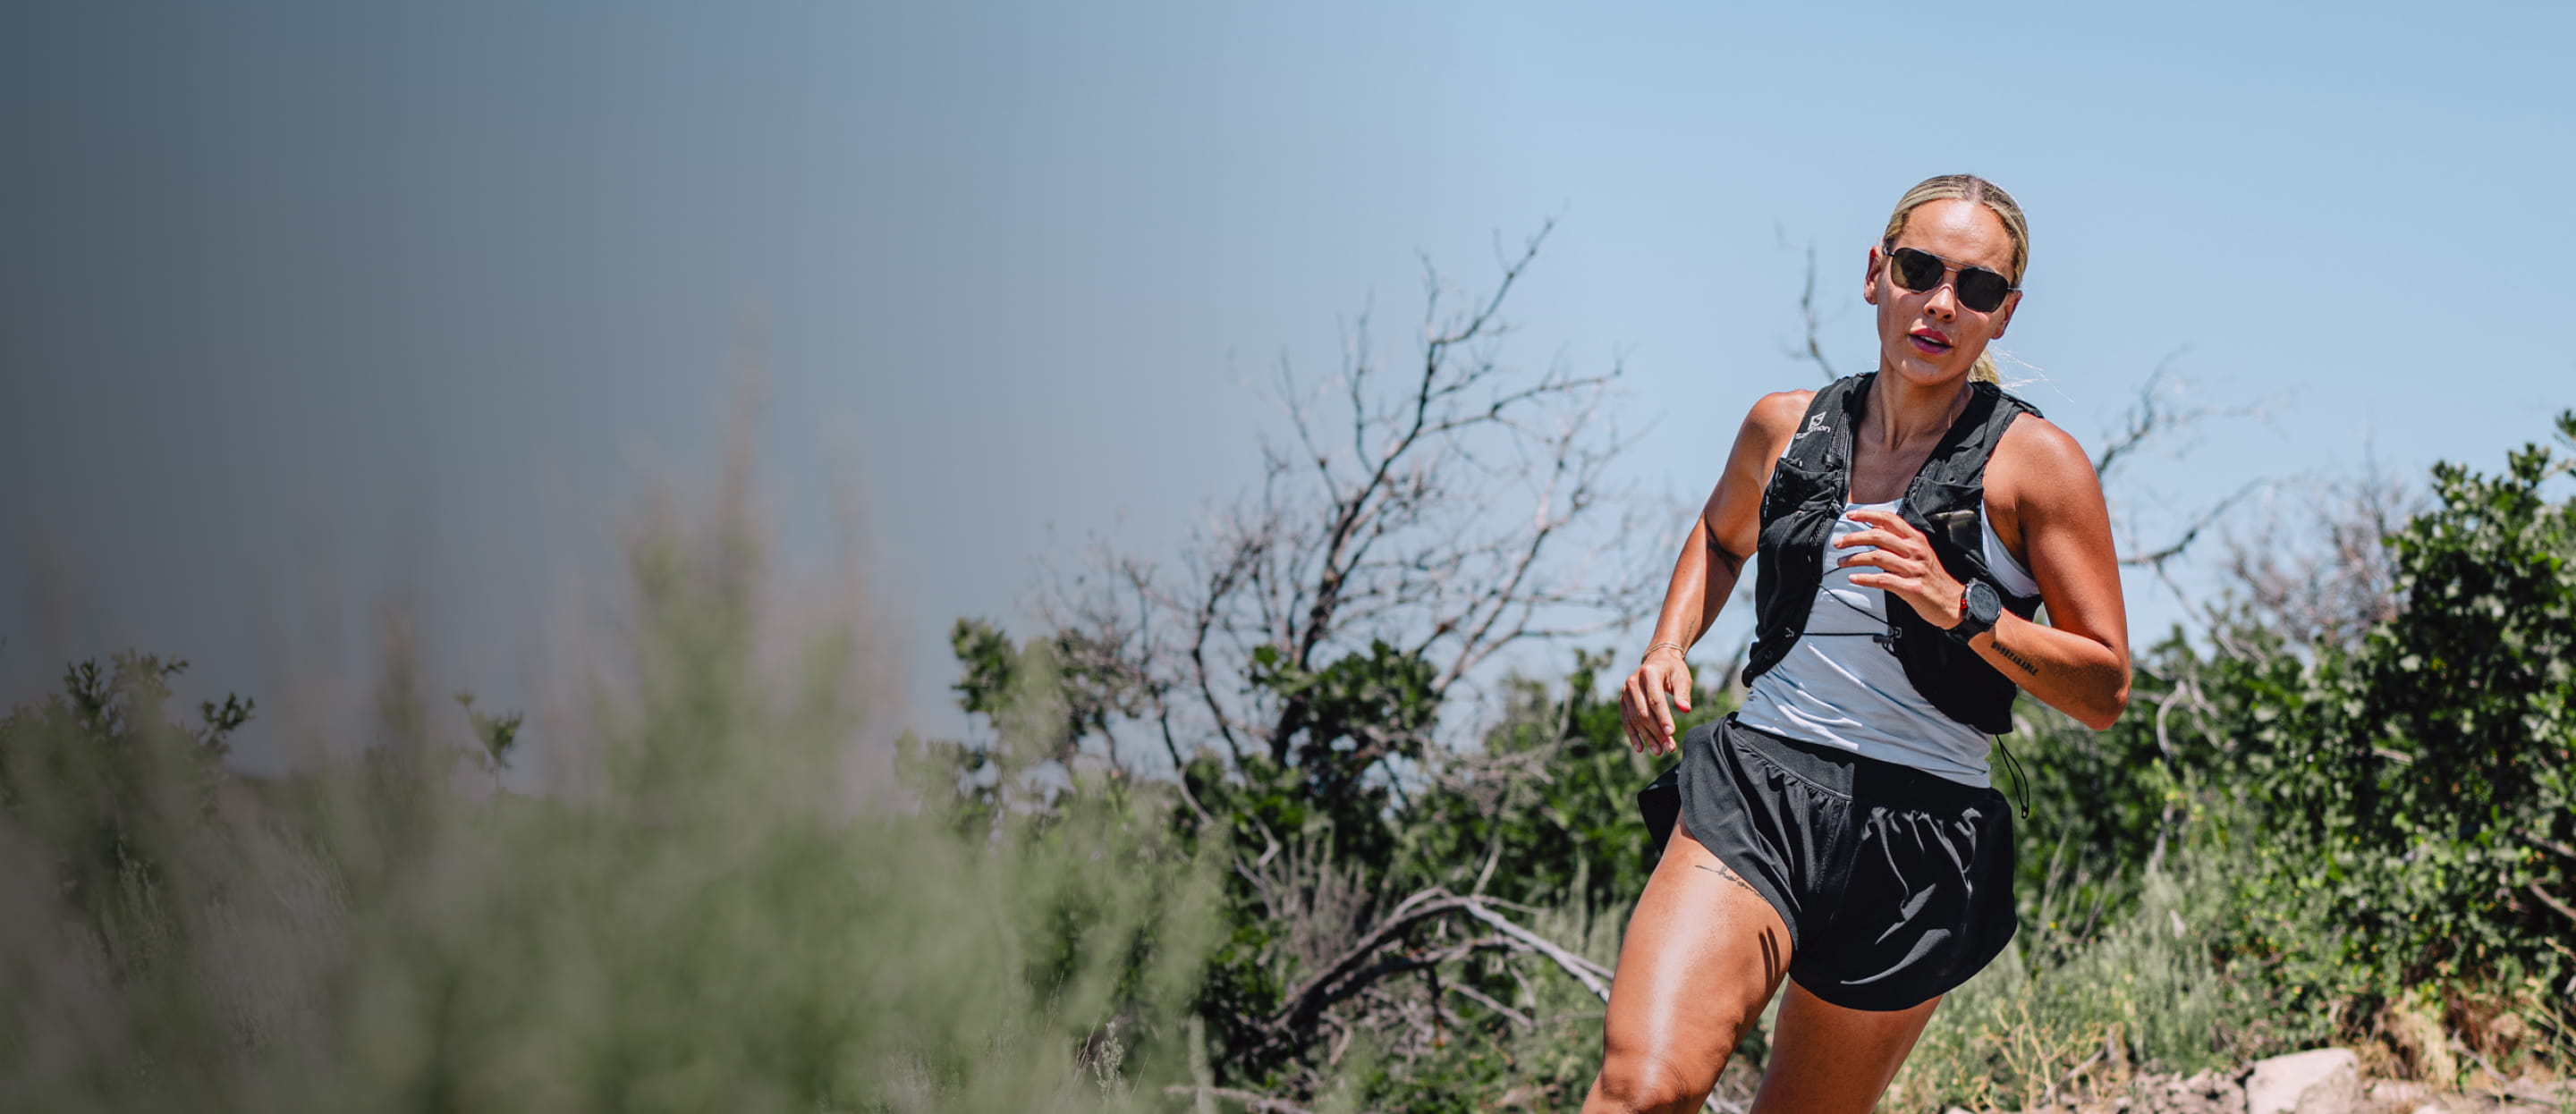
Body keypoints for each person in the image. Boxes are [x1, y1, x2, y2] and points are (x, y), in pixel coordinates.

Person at [1581, 174, 2131, 1114]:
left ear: (2005, 314)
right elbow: (1721, 537)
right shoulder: (1784, 427)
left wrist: (1963, 608)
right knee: (1645, 1089)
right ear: (1877, 273)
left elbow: (2104, 689)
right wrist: (1668, 644)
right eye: (1920, 270)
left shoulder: (2037, 466)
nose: (1942, 303)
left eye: (1977, 288)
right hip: (1760, 789)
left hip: (1921, 834)